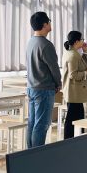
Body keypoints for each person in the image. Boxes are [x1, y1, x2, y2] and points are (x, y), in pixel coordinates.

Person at [26, 11, 61, 148]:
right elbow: (54, 68)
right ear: (45, 24)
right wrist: (58, 83)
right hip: (44, 89)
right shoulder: (46, 45)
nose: (50, 24)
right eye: (49, 21)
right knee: (42, 124)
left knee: (32, 122)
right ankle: (37, 155)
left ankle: (29, 153)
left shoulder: (30, 42)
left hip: (31, 87)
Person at [61, 31, 87, 139]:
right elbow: (73, 75)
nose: (83, 41)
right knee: (72, 118)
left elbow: (81, 65)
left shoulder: (73, 53)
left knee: (78, 117)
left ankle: (78, 138)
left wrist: (85, 51)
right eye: (82, 39)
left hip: (74, 91)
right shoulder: (72, 55)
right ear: (76, 41)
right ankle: (70, 140)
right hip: (74, 92)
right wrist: (86, 73)